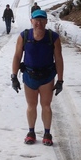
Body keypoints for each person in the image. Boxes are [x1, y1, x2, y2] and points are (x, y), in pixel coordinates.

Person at [11, 9, 64, 146]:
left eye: (41, 20)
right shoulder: (24, 36)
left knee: (46, 106)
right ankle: (31, 132)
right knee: (31, 106)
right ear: (31, 21)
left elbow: (58, 59)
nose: (39, 23)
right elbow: (17, 56)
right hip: (29, 76)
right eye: (36, 20)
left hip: (47, 77)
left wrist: (60, 80)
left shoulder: (53, 38)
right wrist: (14, 76)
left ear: (46, 21)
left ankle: (47, 133)